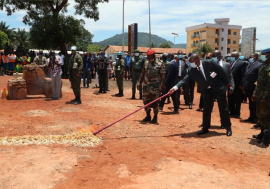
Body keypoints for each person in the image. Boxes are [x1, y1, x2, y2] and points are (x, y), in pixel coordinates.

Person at [170, 54, 232, 136]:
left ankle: (227, 127)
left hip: (218, 87)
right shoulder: (192, 70)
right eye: (190, 62)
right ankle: (205, 128)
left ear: (198, 60)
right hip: (206, 90)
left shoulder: (210, 63)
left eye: (192, 62)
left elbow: (222, 71)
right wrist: (175, 88)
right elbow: (185, 79)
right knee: (206, 109)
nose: (191, 64)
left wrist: (227, 83)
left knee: (223, 108)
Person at [137, 49, 165, 123]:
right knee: (146, 101)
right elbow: (143, 73)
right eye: (148, 57)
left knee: (155, 102)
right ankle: (148, 115)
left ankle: (155, 117)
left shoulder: (160, 63)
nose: (148, 58)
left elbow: (162, 76)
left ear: (154, 56)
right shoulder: (146, 62)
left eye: (149, 57)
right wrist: (139, 82)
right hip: (146, 86)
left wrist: (161, 86)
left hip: (155, 87)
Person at [211, 50, 235, 128]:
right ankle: (206, 124)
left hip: (221, 89)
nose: (213, 58)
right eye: (212, 56)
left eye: (214, 56)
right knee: (208, 107)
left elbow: (230, 76)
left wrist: (232, 86)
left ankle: (224, 123)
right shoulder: (210, 64)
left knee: (223, 107)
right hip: (210, 88)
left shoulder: (226, 65)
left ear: (219, 56)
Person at [252, 48, 270, 145]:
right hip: (260, 95)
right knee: (260, 116)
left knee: (266, 117)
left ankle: (266, 137)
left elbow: (269, 84)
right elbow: (259, 82)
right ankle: (262, 133)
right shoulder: (264, 66)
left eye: (264, 54)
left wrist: (265, 97)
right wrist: (255, 93)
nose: (262, 56)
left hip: (266, 97)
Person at [240, 53, 263, 123]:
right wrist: (244, 87)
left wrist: (256, 89)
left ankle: (255, 118)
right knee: (250, 104)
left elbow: (259, 78)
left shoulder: (259, 65)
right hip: (247, 87)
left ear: (255, 57)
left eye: (251, 57)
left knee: (255, 104)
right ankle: (251, 116)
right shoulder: (249, 65)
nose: (249, 58)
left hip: (254, 88)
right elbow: (246, 76)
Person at [228, 51, 246, 118]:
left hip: (238, 84)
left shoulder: (242, 63)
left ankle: (237, 113)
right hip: (229, 84)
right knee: (230, 98)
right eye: (231, 56)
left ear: (237, 56)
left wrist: (241, 84)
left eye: (233, 56)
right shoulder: (229, 63)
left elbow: (243, 75)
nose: (232, 57)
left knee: (237, 99)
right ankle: (231, 111)